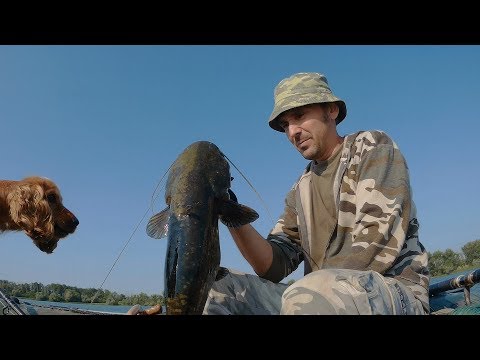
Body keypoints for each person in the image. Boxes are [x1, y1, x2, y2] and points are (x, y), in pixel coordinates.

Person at [203, 72, 430, 315]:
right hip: (319, 296)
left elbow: (374, 246)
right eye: (285, 125)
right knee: (215, 289)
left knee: (308, 293)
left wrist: (307, 291)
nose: (292, 132)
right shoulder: (300, 189)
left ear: (331, 110)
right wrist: (229, 210)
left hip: (392, 292)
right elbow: (273, 266)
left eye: (299, 116)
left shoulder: (372, 147)